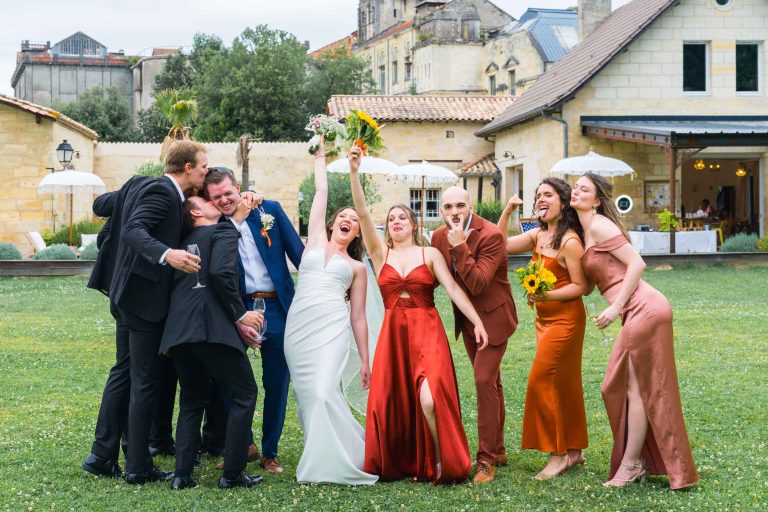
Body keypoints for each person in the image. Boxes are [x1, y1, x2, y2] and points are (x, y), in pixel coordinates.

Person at [348, 146, 488, 484]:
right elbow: (363, 215)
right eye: (392, 219)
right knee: (392, 402)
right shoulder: (381, 255)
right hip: (394, 334)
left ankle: (440, 458)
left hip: (428, 330)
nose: (396, 222)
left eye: (402, 218)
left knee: (429, 399)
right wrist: (355, 173)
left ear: (413, 224)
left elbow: (454, 290)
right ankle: (407, 460)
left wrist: (477, 321)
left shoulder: (430, 253)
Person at [571, 172, 699, 489]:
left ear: (597, 200)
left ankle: (632, 465)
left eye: (584, 188)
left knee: (631, 387)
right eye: (574, 186)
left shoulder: (600, 225)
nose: (576, 191)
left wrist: (616, 308)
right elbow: (592, 283)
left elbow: (637, 264)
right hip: (636, 310)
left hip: (644, 307)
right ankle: (636, 462)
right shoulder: (585, 231)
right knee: (626, 387)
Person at [109, 140, 207, 484]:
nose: (206, 171)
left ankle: (117, 457)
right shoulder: (163, 192)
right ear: (187, 168)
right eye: (203, 166)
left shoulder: (173, 196)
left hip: (136, 299)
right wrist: (169, 255)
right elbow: (132, 230)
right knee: (144, 382)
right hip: (142, 302)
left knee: (134, 378)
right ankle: (137, 466)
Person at [283, 139, 378, 485]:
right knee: (309, 395)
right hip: (299, 329)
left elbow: (358, 316)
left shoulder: (357, 268)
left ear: (356, 231)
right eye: (343, 216)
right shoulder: (314, 242)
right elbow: (320, 192)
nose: (348, 220)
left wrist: (365, 360)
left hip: (332, 330)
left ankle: (338, 461)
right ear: (333, 222)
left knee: (324, 390)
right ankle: (327, 451)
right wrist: (321, 156)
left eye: (353, 220)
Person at [203, 167, 304, 474]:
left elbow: (299, 253)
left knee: (277, 382)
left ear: (239, 188)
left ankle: (270, 452)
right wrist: (237, 315)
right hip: (238, 309)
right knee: (229, 379)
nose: (223, 200)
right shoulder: (215, 225)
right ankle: (243, 445)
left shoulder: (268, 210)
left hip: (276, 306)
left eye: (228, 193)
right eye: (216, 197)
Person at [159, 195, 264, 490]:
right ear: (195, 211)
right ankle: (231, 474)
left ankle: (182, 476)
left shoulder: (181, 240)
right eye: (204, 200)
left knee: (192, 400)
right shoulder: (223, 231)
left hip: (179, 333)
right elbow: (221, 272)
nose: (211, 201)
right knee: (245, 393)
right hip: (212, 329)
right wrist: (240, 314)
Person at [497, 178, 588, 480]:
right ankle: (574, 450)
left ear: (563, 201)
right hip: (544, 321)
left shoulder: (570, 241)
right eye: (537, 195)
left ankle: (558, 455)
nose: (540, 199)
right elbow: (499, 247)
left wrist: (546, 295)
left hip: (566, 321)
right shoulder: (537, 235)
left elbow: (581, 286)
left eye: (547, 194)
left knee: (542, 380)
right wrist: (509, 210)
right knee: (564, 384)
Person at [431, 186, 518, 484]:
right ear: (441, 211)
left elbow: (479, 283)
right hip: (467, 322)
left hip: (494, 319)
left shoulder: (492, 235)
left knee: (482, 380)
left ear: (470, 206)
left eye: (459, 206)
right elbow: (436, 278)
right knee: (491, 381)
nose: (454, 212)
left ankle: (486, 460)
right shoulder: (437, 237)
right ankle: (501, 448)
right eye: (447, 207)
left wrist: (459, 246)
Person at [82, 174, 152, 478]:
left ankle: (102, 452)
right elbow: (100, 204)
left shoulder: (135, 189)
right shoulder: (144, 191)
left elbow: (101, 207)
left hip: (120, 292)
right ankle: (132, 455)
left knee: (123, 370)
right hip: (133, 295)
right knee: (137, 375)